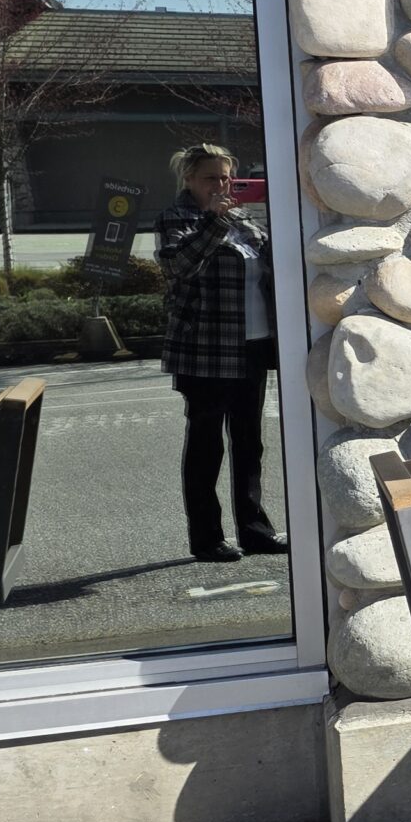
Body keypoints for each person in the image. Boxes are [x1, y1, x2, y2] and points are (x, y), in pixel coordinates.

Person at [157, 143, 284, 563]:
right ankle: (207, 537)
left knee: (250, 443)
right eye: (211, 177)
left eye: (227, 177)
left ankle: (255, 530)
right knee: (206, 445)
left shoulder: (242, 219)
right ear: (189, 179)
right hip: (206, 349)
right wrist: (213, 221)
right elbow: (178, 266)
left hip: (252, 344)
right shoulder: (177, 218)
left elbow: (272, 261)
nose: (221, 185)